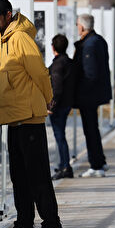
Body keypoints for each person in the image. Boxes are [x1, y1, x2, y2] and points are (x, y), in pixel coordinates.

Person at [0, 0, 64, 228]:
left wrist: (49, 98)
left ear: (9, 15)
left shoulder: (19, 38)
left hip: (29, 117)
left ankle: (52, 223)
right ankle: (24, 224)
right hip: (14, 117)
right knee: (19, 175)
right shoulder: (4, 39)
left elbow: (39, 71)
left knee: (37, 174)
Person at [73, 13, 112, 177]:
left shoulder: (89, 44)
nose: (77, 28)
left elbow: (90, 73)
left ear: (82, 26)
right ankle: (100, 161)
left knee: (90, 129)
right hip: (94, 94)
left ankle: (96, 165)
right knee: (92, 128)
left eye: (77, 25)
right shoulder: (99, 40)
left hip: (88, 95)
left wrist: (80, 92)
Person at [48, 34, 76, 180]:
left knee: (60, 137)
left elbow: (57, 89)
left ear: (53, 47)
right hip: (66, 104)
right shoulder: (68, 62)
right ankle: (65, 164)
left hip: (59, 106)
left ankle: (65, 167)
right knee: (61, 136)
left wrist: (51, 106)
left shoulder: (58, 65)